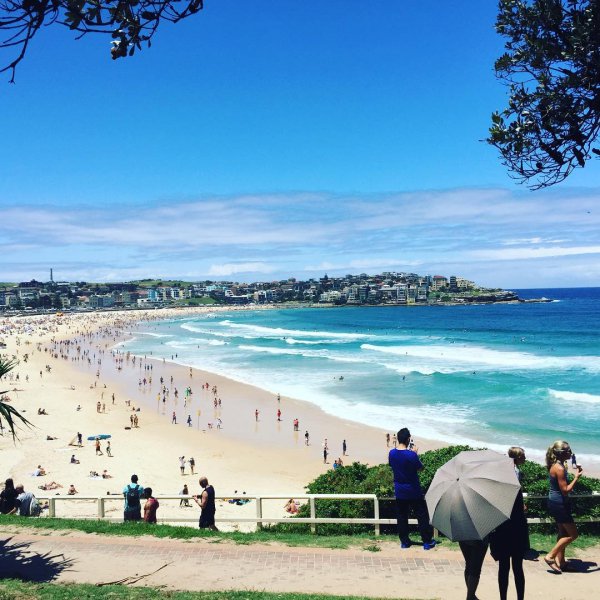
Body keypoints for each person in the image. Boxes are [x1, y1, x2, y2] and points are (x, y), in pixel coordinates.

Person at [388, 427, 436, 550]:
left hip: (400, 490)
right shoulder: (411, 455)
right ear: (408, 439)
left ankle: (404, 542)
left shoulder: (391, 453)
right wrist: (415, 454)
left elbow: (392, 465)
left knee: (402, 517)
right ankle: (427, 541)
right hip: (414, 490)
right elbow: (420, 468)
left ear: (398, 439)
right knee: (422, 516)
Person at [490, 447, 528, 600]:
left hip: (503, 525)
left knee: (503, 567)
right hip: (516, 526)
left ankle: (503, 598)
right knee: (518, 567)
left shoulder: (500, 475)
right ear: (517, 458)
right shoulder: (516, 473)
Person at [544, 440, 583, 573]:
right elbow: (565, 490)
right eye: (568, 451)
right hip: (559, 504)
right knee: (573, 535)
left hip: (556, 502)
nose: (570, 453)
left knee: (563, 533)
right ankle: (550, 556)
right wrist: (576, 477)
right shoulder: (559, 468)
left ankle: (563, 563)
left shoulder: (558, 465)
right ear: (561, 453)